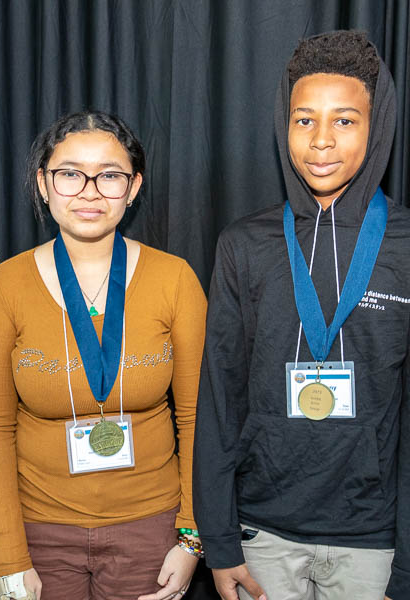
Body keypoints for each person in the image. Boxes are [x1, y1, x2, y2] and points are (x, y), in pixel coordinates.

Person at [193, 30, 409, 600]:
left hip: (375, 542)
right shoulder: (244, 243)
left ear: (376, 125)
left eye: (344, 121)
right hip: (263, 534)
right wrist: (219, 539)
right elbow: (220, 397)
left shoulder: (406, 247)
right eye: (303, 119)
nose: (320, 141)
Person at [0, 111, 207, 600]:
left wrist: (191, 536)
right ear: (43, 183)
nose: (89, 191)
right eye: (69, 174)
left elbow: (197, 419)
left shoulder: (175, 280)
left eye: (109, 175)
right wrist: (7, 557)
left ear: (134, 186)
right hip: (39, 534)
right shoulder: (5, 286)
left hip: (152, 530)